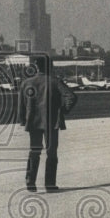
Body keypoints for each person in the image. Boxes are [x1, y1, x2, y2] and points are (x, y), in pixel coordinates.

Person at [19, 54, 77, 192]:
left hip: (33, 122)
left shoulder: (26, 83)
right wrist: (63, 111)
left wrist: (23, 120)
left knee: (34, 151)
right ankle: (50, 184)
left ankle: (30, 182)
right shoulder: (55, 81)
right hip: (52, 122)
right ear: (49, 66)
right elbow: (71, 97)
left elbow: (21, 104)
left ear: (36, 66)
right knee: (51, 153)